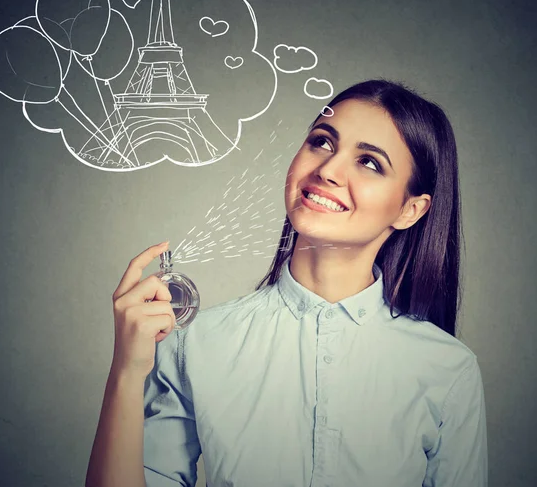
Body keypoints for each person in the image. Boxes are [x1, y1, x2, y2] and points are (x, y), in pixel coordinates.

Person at [86, 79, 488, 487]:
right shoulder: (195, 344)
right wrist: (125, 373)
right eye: (322, 142)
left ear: (410, 210)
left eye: (369, 162)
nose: (328, 170)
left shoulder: (448, 370)